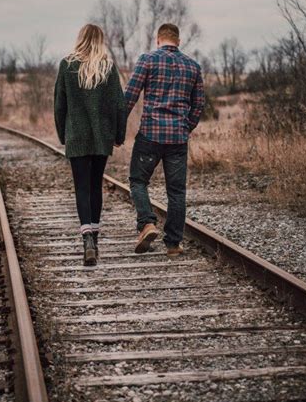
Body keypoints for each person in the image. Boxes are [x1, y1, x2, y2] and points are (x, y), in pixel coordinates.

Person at [124, 23, 205, 256]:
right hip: (178, 138)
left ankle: (147, 223)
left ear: (158, 39)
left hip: (150, 134)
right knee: (177, 192)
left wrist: (117, 129)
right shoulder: (193, 66)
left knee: (138, 181)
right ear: (178, 41)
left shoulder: (147, 60)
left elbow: (129, 96)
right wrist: (185, 126)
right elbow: (198, 104)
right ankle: (173, 244)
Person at [54, 24, 127, 266]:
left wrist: (63, 134)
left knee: (82, 188)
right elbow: (119, 105)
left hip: (77, 136)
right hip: (101, 137)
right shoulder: (107, 67)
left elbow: (59, 105)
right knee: (96, 186)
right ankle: (94, 237)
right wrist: (119, 135)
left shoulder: (67, 65)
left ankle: (86, 238)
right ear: (100, 41)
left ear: (80, 38)